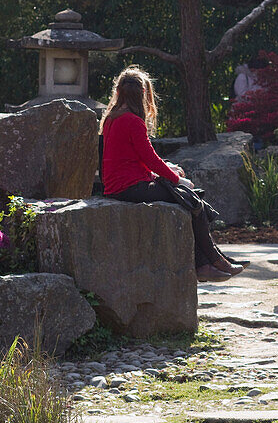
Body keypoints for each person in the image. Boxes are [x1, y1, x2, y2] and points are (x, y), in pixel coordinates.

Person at [101, 66, 246, 283]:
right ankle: (209, 263)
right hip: (130, 187)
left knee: (191, 198)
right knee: (189, 197)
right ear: (143, 94)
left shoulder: (111, 118)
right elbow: (149, 159)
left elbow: (135, 158)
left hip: (121, 185)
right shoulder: (132, 121)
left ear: (119, 92)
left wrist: (167, 169)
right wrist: (178, 179)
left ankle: (214, 260)